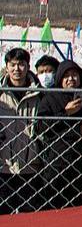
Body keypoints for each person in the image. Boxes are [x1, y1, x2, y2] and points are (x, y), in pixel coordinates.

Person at [35, 59, 82, 209]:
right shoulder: (50, 98)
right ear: (60, 78)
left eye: (74, 75)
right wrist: (66, 112)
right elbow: (41, 126)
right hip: (57, 161)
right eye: (66, 76)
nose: (71, 79)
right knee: (55, 205)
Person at [0, 48, 43, 213]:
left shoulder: (40, 93)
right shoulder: (0, 93)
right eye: (12, 65)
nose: (16, 69)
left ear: (28, 66)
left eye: (21, 64)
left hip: (31, 164)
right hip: (4, 165)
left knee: (29, 217)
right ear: (7, 67)